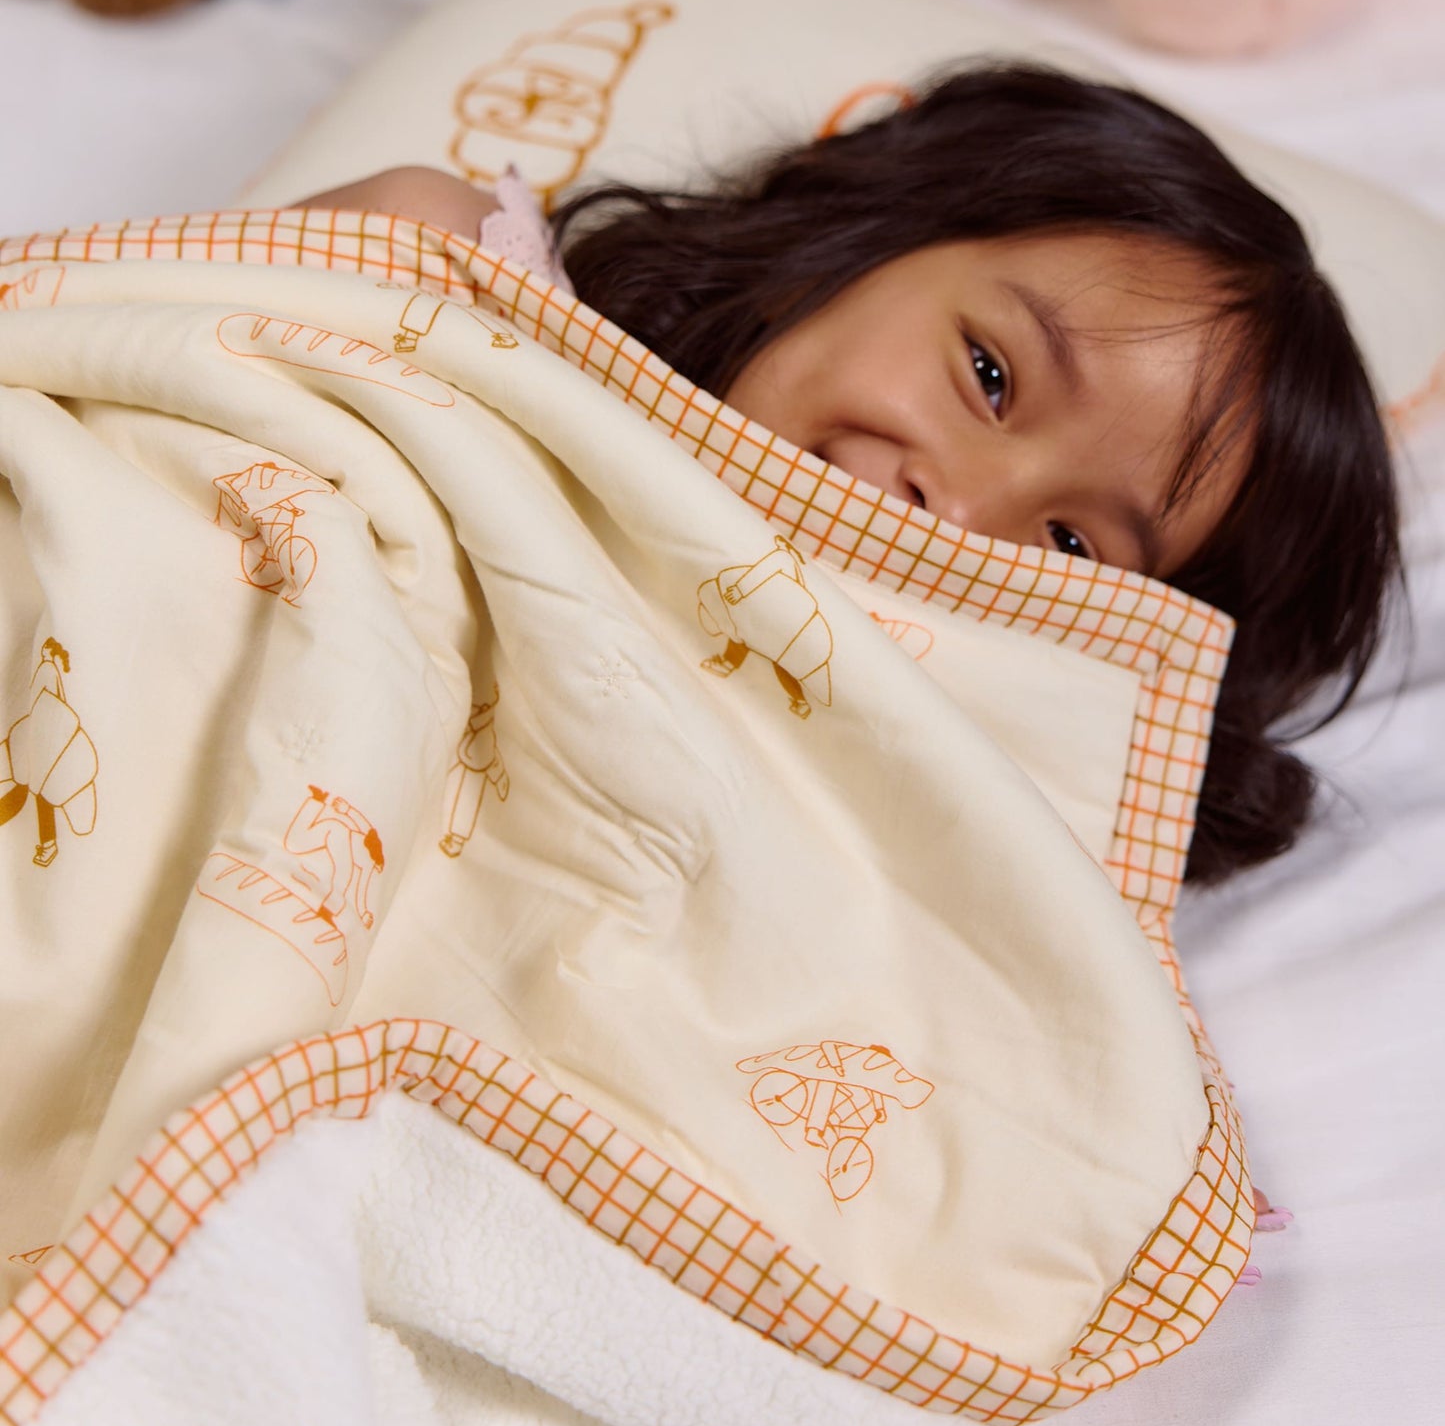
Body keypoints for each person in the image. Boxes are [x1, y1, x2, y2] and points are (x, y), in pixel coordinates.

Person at [293, 63, 1403, 888]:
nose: (960, 511)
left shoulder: (911, 827)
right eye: (987, 374)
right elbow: (143, 374)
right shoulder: (444, 273)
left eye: (1069, 545)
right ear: (860, 236)